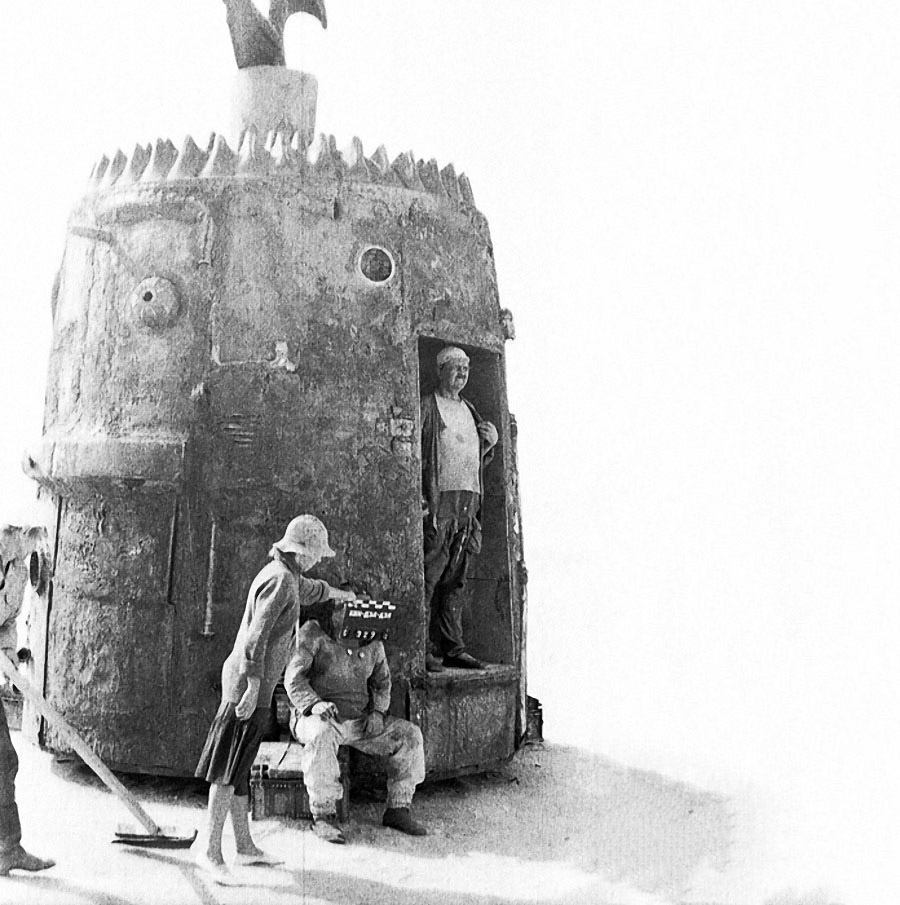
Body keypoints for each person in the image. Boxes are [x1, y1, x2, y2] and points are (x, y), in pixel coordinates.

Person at [192, 515, 356, 884]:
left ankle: (245, 848)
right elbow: (256, 637)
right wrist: (252, 688)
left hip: (257, 687)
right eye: (316, 553)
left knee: (240, 772)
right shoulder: (280, 580)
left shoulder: (288, 576)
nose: (319, 559)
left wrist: (341, 595)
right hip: (245, 687)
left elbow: (311, 590)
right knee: (226, 772)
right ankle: (210, 852)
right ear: (300, 551)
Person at [284, 601, 427, 844]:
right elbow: (293, 679)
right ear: (336, 612)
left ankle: (398, 808)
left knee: (410, 735)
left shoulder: (372, 640)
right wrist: (314, 704)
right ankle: (323, 816)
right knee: (320, 733)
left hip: (359, 720)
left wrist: (378, 713)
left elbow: (382, 683)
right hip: (316, 717)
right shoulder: (313, 634)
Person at [420, 346, 498, 671]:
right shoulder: (428, 406)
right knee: (430, 576)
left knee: (456, 579)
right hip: (442, 504)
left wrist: (489, 443)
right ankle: (421, 649)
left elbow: (473, 458)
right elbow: (416, 453)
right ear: (441, 371)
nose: (462, 373)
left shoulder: (470, 409)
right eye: (455, 367)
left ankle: (453, 648)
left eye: (466, 368)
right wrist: (422, 498)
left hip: (469, 504)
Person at [0, 554, 54, 878]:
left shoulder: (12, 562)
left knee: (3, 761)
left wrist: (8, 662)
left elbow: (6, 620)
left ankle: (7, 849)